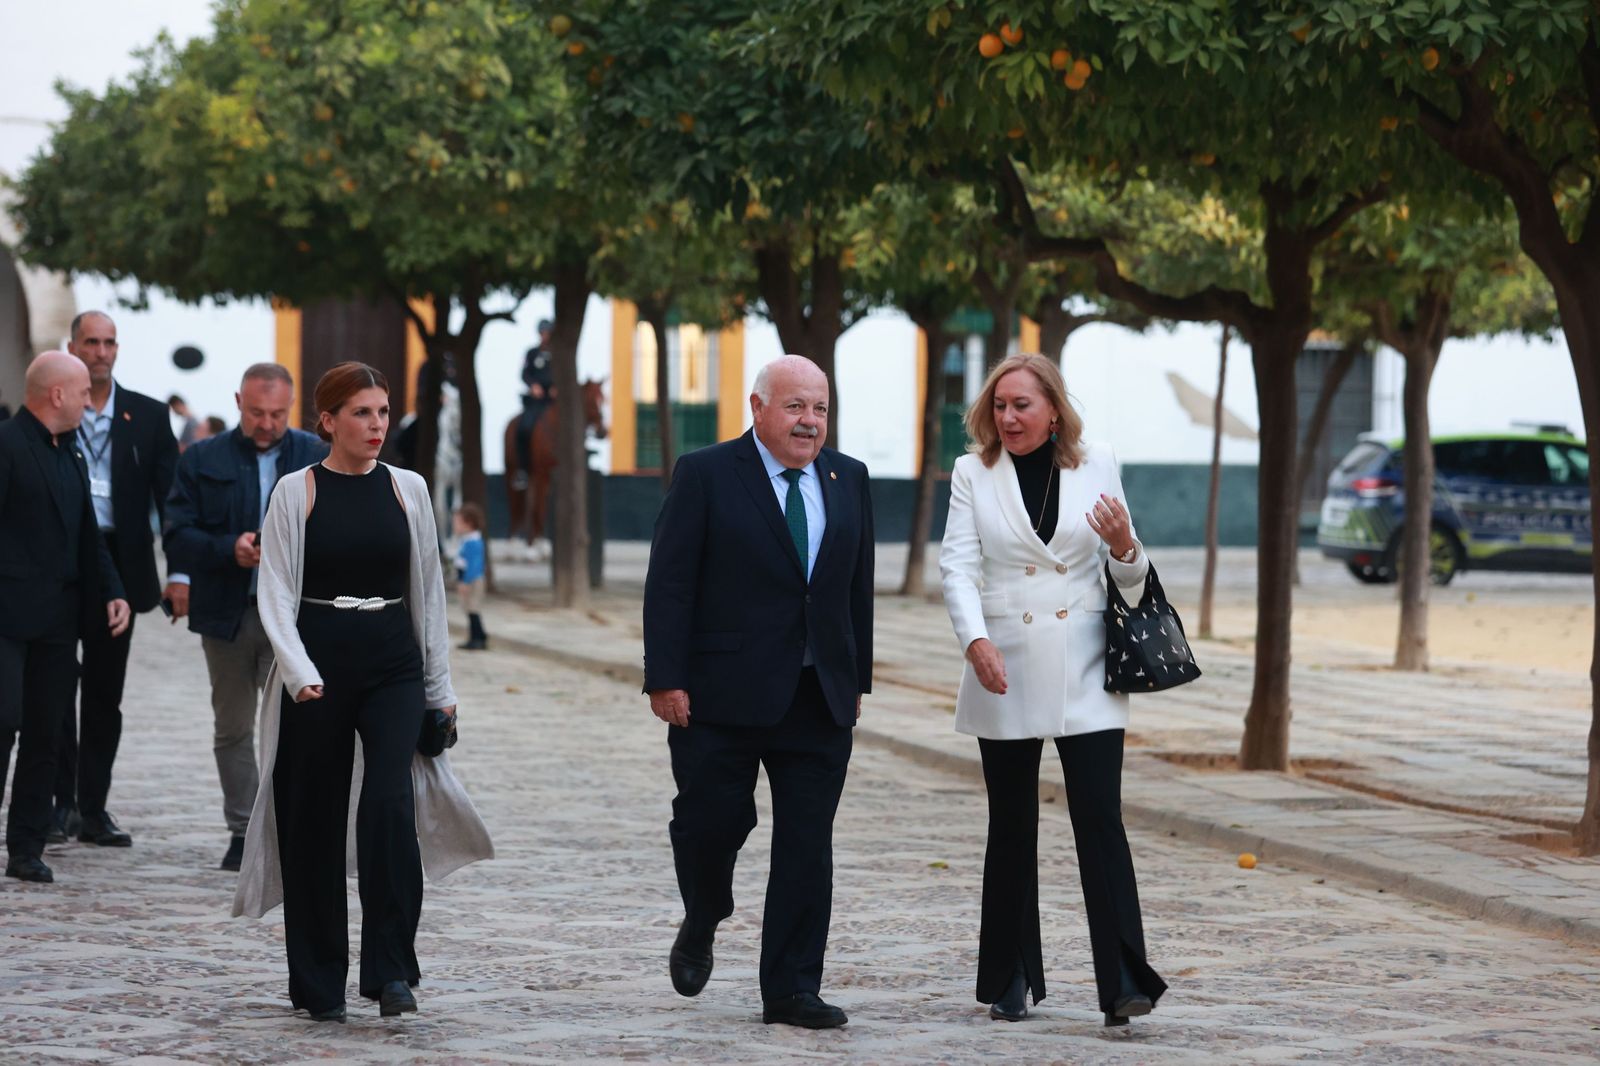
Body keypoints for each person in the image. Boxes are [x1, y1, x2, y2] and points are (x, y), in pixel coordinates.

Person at [233, 361, 492, 1023]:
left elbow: (428, 591)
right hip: (317, 671)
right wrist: (299, 672)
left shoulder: (409, 489)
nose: (376, 425)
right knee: (313, 819)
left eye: (382, 412)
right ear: (328, 421)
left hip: (392, 665)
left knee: (388, 806)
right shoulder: (296, 491)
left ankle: (391, 970)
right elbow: (276, 592)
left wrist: (439, 688)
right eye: (361, 413)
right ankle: (318, 981)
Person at [642, 354, 874, 1029]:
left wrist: (855, 677)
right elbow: (671, 581)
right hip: (719, 695)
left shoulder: (849, 477)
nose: (809, 421)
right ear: (758, 408)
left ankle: (792, 989)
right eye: (795, 406)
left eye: (820, 408)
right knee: (710, 825)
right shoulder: (707, 473)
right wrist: (665, 676)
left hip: (818, 695)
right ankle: (704, 912)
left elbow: (855, 586)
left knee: (808, 843)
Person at [938, 353, 1168, 1028]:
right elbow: (957, 567)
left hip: (1086, 662)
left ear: (1054, 412)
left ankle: (1123, 983)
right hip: (1002, 661)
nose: (1009, 418)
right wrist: (974, 640)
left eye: (1022, 405)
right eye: (1000, 406)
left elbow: (1129, 577)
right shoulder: (972, 473)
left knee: (1100, 818)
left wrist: (1125, 547)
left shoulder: (1098, 463)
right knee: (1011, 822)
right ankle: (1010, 975)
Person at [162, 364, 328, 871]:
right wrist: (226, 548)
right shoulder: (202, 458)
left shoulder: (317, 455)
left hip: (297, 619)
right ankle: (243, 832)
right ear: (238, 402)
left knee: (299, 730)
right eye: (256, 412)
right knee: (232, 728)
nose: (267, 423)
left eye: (277, 413)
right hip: (227, 615)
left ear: (292, 407)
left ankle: (290, 829)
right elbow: (176, 531)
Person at [0, 353, 129, 883]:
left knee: (46, 733)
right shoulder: (6, 445)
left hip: (59, 620)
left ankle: (26, 847)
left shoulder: (71, 448)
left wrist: (113, 590)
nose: (87, 402)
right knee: (2, 724)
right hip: (6, 619)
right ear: (56, 395)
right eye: (81, 393)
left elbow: (87, 533)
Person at [53, 311, 178, 848]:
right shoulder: (55, 407)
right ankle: (58, 803)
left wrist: (180, 573)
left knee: (105, 693)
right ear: (72, 347)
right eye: (91, 342)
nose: (100, 352)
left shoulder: (147, 415)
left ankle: (93, 808)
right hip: (61, 562)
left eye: (108, 343)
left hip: (120, 567)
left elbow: (170, 500)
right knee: (56, 688)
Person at [512, 320, 554, 486]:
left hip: (552, 402)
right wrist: (533, 386)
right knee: (523, 429)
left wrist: (556, 387)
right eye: (543, 333)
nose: (545, 336)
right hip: (536, 402)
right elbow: (525, 373)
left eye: (547, 333)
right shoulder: (532, 353)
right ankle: (522, 469)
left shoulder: (558, 354)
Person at [452, 503, 488, 651]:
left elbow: (474, 565)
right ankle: (479, 636)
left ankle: (477, 638)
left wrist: (465, 582)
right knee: (469, 609)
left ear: (468, 524)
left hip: (473, 581)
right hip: (468, 579)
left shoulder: (473, 542)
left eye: (458, 523)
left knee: (473, 609)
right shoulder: (467, 540)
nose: (455, 526)